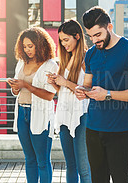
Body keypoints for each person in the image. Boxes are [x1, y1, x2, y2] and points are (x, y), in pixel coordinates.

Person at [75, 6, 128, 183]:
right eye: (90, 36)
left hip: (120, 130)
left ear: (109, 27)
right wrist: (82, 92)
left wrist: (107, 94)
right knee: (97, 179)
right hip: (92, 128)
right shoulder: (91, 54)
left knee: (121, 179)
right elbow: (88, 86)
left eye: (98, 35)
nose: (94, 40)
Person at [7, 27, 58, 183]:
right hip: (22, 113)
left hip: (40, 115)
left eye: (31, 46)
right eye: (24, 46)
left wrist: (27, 85)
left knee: (42, 160)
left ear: (40, 44)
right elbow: (16, 93)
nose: (27, 50)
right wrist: (14, 87)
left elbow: (50, 95)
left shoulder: (50, 65)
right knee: (29, 159)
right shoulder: (21, 63)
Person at [46, 19, 92, 183]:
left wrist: (65, 82)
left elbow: (89, 91)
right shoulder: (65, 60)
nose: (63, 44)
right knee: (70, 165)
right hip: (64, 115)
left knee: (83, 166)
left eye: (66, 40)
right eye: (61, 41)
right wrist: (56, 84)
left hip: (81, 115)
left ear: (77, 36)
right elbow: (65, 91)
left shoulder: (87, 59)